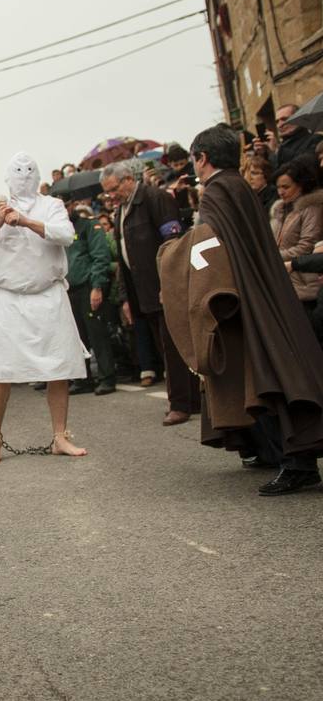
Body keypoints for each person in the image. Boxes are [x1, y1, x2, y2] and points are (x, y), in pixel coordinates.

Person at [163, 124, 323, 495]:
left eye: (194, 159)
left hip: (246, 295)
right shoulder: (237, 186)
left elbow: (210, 246)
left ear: (202, 158)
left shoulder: (218, 191)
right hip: (262, 288)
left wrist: (171, 254)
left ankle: (297, 463)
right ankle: (275, 452)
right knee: (269, 370)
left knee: (264, 374)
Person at [0, 152, 88, 464]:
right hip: (10, 299)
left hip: (49, 295)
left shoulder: (52, 205)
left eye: (29, 170)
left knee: (59, 368)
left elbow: (66, 235)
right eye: (17, 171)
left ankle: (60, 436)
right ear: (8, 177)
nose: (24, 174)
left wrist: (25, 221)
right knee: (2, 371)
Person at [106, 158, 200, 424]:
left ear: (128, 180)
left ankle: (181, 403)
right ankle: (189, 399)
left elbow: (173, 242)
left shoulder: (154, 198)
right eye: (108, 191)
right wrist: (125, 297)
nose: (111, 196)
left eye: (114, 189)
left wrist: (167, 283)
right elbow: (126, 257)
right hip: (140, 291)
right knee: (164, 346)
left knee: (174, 345)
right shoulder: (121, 211)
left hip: (162, 287)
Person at [62, 190, 117, 396]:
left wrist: (97, 286)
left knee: (97, 333)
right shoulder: (58, 231)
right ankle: (83, 378)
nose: (63, 211)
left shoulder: (88, 225)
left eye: (65, 206)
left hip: (87, 286)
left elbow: (100, 257)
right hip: (68, 290)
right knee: (77, 337)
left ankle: (107, 377)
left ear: (72, 205)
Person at [271, 157, 323, 315]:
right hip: (285, 283)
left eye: (286, 187)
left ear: (301, 185)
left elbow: (307, 245)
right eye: (278, 187)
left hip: (306, 285)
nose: (281, 192)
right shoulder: (280, 209)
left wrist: (273, 257)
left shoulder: (312, 208)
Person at [269, 104, 322, 169]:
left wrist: (277, 150)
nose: (279, 125)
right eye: (277, 122)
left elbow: (303, 167)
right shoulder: (281, 146)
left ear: (299, 118)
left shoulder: (315, 139)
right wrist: (265, 153)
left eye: (284, 119)